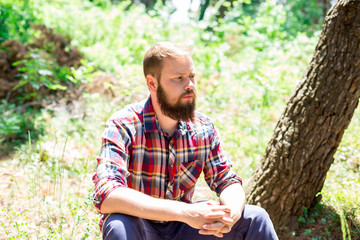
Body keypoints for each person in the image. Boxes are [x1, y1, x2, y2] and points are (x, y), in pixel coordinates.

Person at [92, 42, 278, 240]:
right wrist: (186, 213)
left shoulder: (203, 127)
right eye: (178, 78)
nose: (189, 85)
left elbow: (227, 181)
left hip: (185, 230)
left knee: (256, 218)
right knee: (119, 224)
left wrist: (231, 214)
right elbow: (107, 195)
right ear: (152, 83)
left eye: (191, 77)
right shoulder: (124, 125)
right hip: (141, 227)